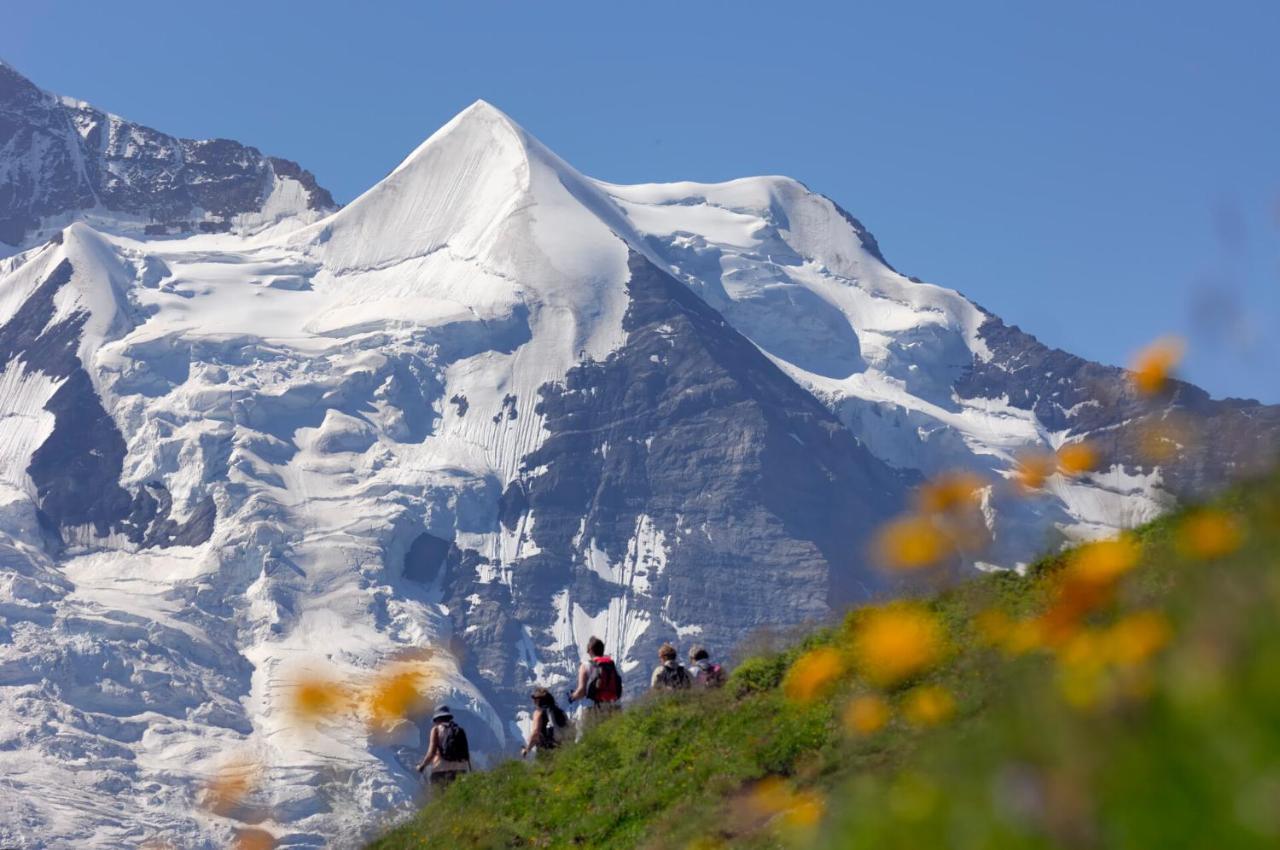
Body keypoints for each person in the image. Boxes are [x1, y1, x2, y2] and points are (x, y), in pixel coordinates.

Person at [415, 705, 471, 791]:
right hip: (460, 770)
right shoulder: (459, 730)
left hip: (440, 770)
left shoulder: (436, 730)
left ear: (437, 719)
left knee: (440, 799)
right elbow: (466, 752)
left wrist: (422, 766)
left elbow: (431, 752)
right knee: (457, 797)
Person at [567, 636, 623, 719]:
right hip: (613, 707)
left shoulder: (585, 665)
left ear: (591, 650)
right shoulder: (610, 664)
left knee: (586, 731)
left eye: (588, 650)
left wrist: (572, 696)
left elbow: (581, 692)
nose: (587, 652)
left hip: (594, 709)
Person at [521, 686, 569, 757]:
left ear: (539, 700)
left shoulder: (538, 712)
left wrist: (527, 749)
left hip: (547, 748)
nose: (534, 701)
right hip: (563, 747)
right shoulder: (559, 711)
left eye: (535, 699)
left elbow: (536, 732)